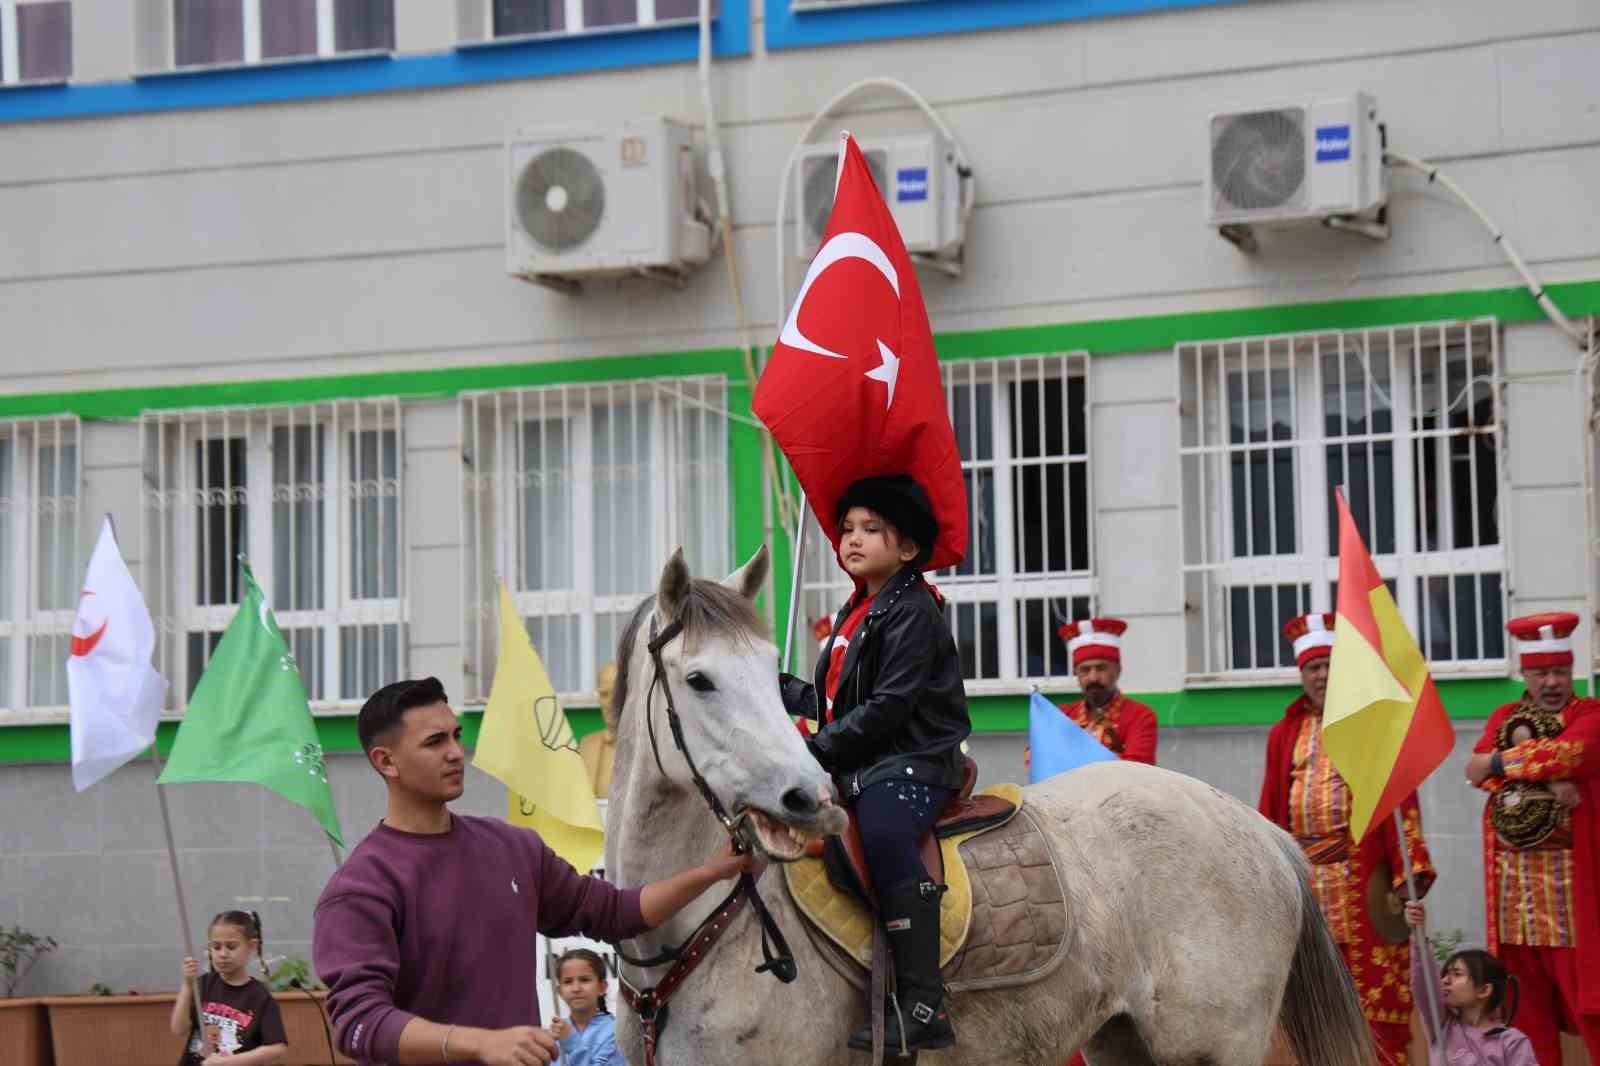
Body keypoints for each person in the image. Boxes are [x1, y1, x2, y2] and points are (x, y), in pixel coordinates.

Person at [312, 677, 757, 1066]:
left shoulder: (511, 846)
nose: (454, 752)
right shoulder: (361, 886)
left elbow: (613, 912)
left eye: (456, 735)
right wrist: (479, 1045)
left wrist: (712, 872)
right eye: (434, 742)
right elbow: (359, 1025)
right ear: (386, 762)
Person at [779, 474, 970, 1056]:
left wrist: (813, 750)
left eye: (871, 530)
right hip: (864, 762)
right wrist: (780, 693)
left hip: (911, 762)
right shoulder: (856, 611)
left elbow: (888, 709)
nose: (852, 540)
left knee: (885, 835)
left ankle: (922, 1001)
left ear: (907, 549)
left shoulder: (912, 610)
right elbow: (841, 704)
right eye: (846, 530)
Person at [1259, 612, 1435, 1066]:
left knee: (1376, 1011)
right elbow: (1270, 808)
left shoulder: (1371, 727)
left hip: (1363, 885)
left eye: (1329, 665)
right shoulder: (1283, 733)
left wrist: (1407, 879)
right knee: (1310, 1008)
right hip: (1305, 884)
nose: (1321, 675)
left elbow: (1401, 804)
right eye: (1312, 668)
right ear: (1302, 675)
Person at [1464, 612, 1600, 1065]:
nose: (1552, 682)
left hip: (1571, 895)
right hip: (1514, 895)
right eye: (1541, 672)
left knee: (1591, 1008)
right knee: (1525, 1015)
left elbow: (1571, 752)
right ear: (1524, 674)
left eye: (1560, 671)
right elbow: (1473, 771)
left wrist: (1500, 766)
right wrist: (1547, 784)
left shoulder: (1589, 714)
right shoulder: (1505, 715)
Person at [1403, 901, 1537, 1066]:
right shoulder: (1442, 1026)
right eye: (1445, 974)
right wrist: (1418, 933)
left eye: (1457, 974)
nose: (1444, 980)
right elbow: (1425, 986)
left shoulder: (1511, 1042)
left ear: (1484, 990)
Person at [170, 910, 288, 1066]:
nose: (223, 954)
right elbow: (178, 1029)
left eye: (231, 946)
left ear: (252, 945)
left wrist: (230, 1062)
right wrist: (187, 985)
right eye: (216, 947)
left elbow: (278, 1049)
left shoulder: (260, 996)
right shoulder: (203, 984)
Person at [1052, 618, 1158, 764]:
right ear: (1076, 673)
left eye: (1101, 668)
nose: (1093, 677)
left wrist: (1071, 751)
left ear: (1118, 670)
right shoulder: (1062, 715)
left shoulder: (1140, 716)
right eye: (1085, 670)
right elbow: (1036, 759)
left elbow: (1138, 768)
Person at [548, 948, 619, 1066]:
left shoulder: (616, 1033)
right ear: (559, 991)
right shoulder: (554, 1034)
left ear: (602, 987)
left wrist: (571, 1042)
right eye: (568, 982)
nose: (576, 988)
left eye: (584, 980)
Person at [578, 663, 619, 799]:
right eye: (604, 694)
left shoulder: (649, 748)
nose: (610, 702)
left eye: (615, 693)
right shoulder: (586, 746)